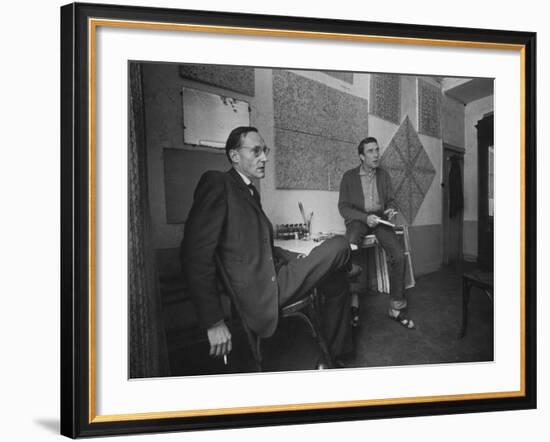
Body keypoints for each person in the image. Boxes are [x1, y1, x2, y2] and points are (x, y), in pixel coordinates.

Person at [181, 126, 354, 368]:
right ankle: (347, 267)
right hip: (261, 291)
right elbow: (194, 255)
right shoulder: (217, 183)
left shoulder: (249, 192)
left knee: (337, 281)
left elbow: (265, 249)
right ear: (234, 156)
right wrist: (213, 321)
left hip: (275, 275)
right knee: (340, 244)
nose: (264, 157)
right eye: (256, 151)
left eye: (265, 150)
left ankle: (333, 356)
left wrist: (299, 256)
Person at [338, 136, 415, 329]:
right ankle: (354, 303)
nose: (376, 154)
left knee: (398, 255)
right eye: (371, 151)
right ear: (361, 156)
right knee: (351, 244)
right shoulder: (349, 177)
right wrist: (364, 218)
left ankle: (396, 307)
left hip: (380, 220)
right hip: (359, 220)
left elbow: (391, 200)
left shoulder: (384, 175)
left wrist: (390, 209)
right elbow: (343, 208)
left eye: (377, 150)